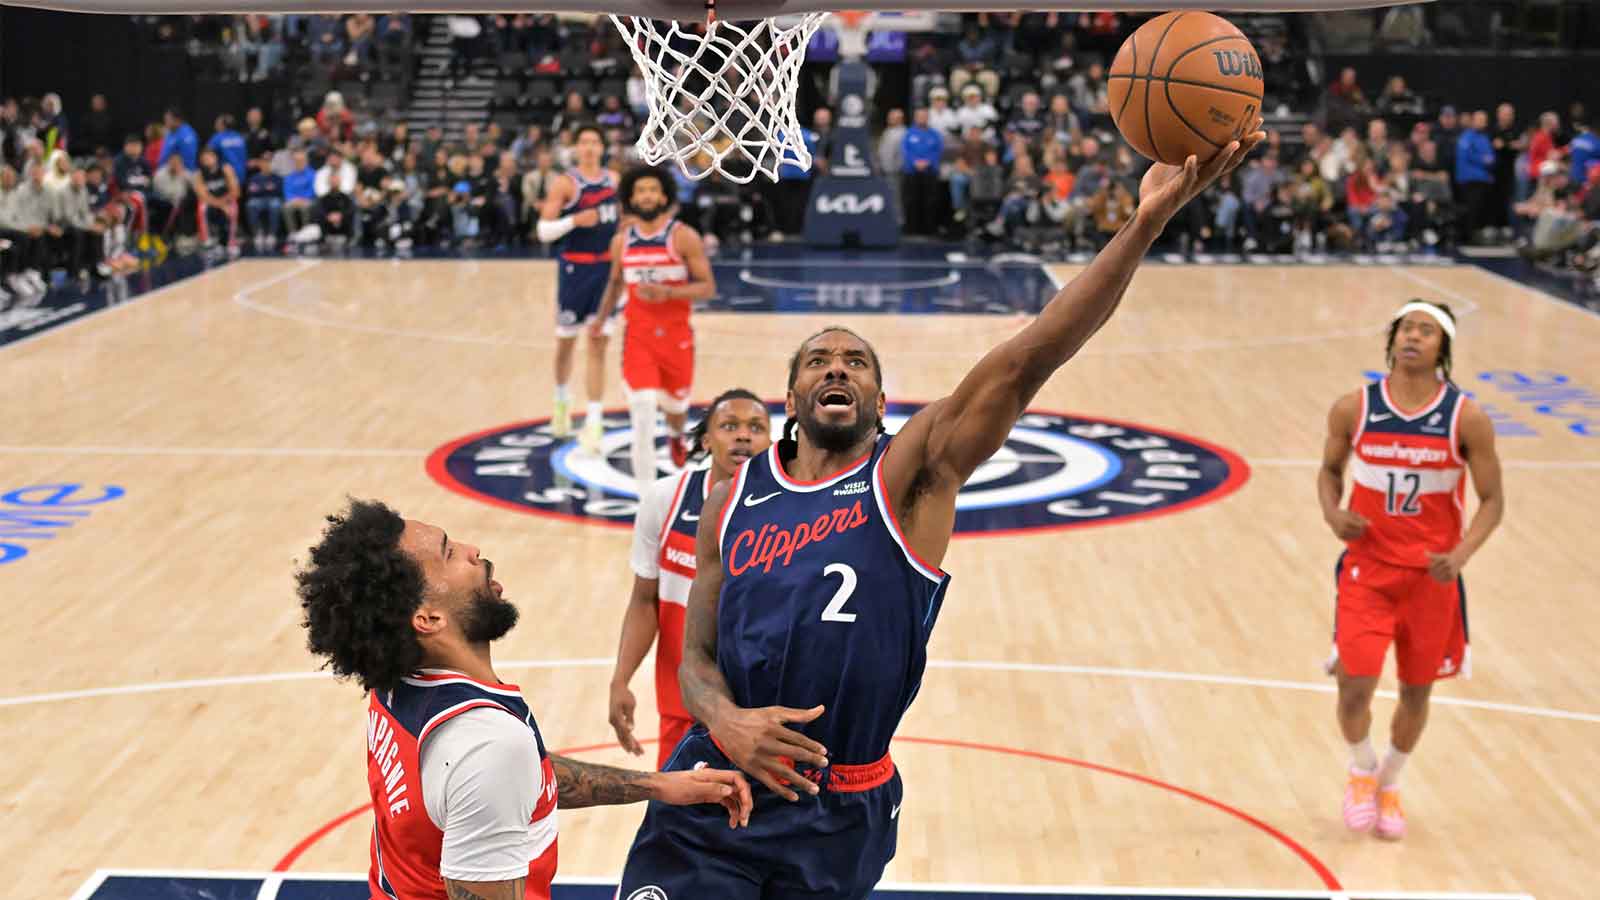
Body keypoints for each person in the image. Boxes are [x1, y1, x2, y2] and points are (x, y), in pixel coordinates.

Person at [614, 119, 1266, 899]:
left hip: (839, 804)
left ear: (880, 399)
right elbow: (695, 658)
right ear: (790, 398)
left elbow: (1030, 358)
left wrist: (1143, 223)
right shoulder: (729, 499)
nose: (836, 368)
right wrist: (722, 721)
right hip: (715, 782)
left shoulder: (910, 474)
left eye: (855, 362)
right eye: (818, 360)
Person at [294, 499, 752, 900]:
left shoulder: (400, 690)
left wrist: (656, 786)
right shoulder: (487, 745)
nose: (473, 550)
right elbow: (493, 769)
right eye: (449, 553)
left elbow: (518, 779)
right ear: (428, 618)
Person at [1317, 300, 1504, 842]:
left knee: (1416, 693)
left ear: (1442, 347)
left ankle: (1390, 782)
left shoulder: (1466, 417)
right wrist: (1332, 514)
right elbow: (1329, 472)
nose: (1413, 338)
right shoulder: (1354, 408)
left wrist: (1462, 554)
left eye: (1426, 331)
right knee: (1355, 687)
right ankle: (1360, 770)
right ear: (1391, 339)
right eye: (1406, 328)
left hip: (1431, 579)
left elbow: (1492, 501)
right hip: (1367, 571)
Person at [609, 388, 772, 770]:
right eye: (729, 426)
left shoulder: (791, 510)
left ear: (771, 441)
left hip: (759, 711)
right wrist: (621, 678)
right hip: (684, 707)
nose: (743, 435)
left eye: (755, 427)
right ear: (706, 439)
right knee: (675, 823)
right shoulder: (666, 499)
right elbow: (645, 600)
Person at [594, 165, 716, 487]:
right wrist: (601, 320)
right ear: (632, 198)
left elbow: (707, 287)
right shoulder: (622, 241)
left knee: (676, 407)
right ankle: (645, 501)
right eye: (640, 191)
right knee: (643, 415)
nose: (647, 196)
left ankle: (676, 434)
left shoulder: (683, 236)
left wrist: (669, 293)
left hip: (676, 338)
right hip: (638, 338)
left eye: (653, 190)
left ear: (664, 196)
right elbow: (615, 282)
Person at [536, 124, 621, 451]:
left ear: (602, 147)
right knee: (566, 344)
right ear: (576, 148)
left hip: (605, 270)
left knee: (598, 344)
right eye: (583, 142)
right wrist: (574, 221)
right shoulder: (566, 183)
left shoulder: (614, 181)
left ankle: (595, 420)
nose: (589, 147)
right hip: (574, 270)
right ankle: (561, 402)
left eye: (594, 141)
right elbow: (543, 230)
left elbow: (624, 222)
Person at [192, 146, 240, 251]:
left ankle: (231, 242)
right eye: (204, 160)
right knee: (202, 207)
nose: (206, 161)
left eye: (208, 158)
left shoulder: (226, 169)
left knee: (233, 207)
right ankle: (206, 241)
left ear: (215, 157)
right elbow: (202, 195)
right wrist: (221, 205)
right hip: (212, 202)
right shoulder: (199, 174)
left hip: (227, 199)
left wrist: (224, 203)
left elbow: (235, 191)